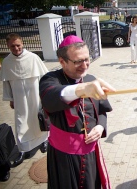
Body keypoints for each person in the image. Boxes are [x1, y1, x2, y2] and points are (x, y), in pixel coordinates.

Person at [39, 35, 115, 189]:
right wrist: (82, 89)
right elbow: (53, 96)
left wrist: (100, 126)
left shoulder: (90, 79)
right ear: (62, 61)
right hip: (63, 158)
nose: (85, 65)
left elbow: (102, 111)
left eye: (87, 59)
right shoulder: (49, 79)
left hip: (90, 153)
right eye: (78, 61)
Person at [0, 33, 48, 167]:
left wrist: (44, 94)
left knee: (38, 118)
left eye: (18, 45)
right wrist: (10, 98)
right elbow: (6, 82)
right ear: (8, 46)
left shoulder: (33, 57)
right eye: (12, 46)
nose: (16, 48)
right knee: (21, 122)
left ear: (22, 44)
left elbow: (43, 77)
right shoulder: (7, 61)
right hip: (19, 97)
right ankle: (22, 149)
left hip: (35, 95)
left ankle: (44, 141)